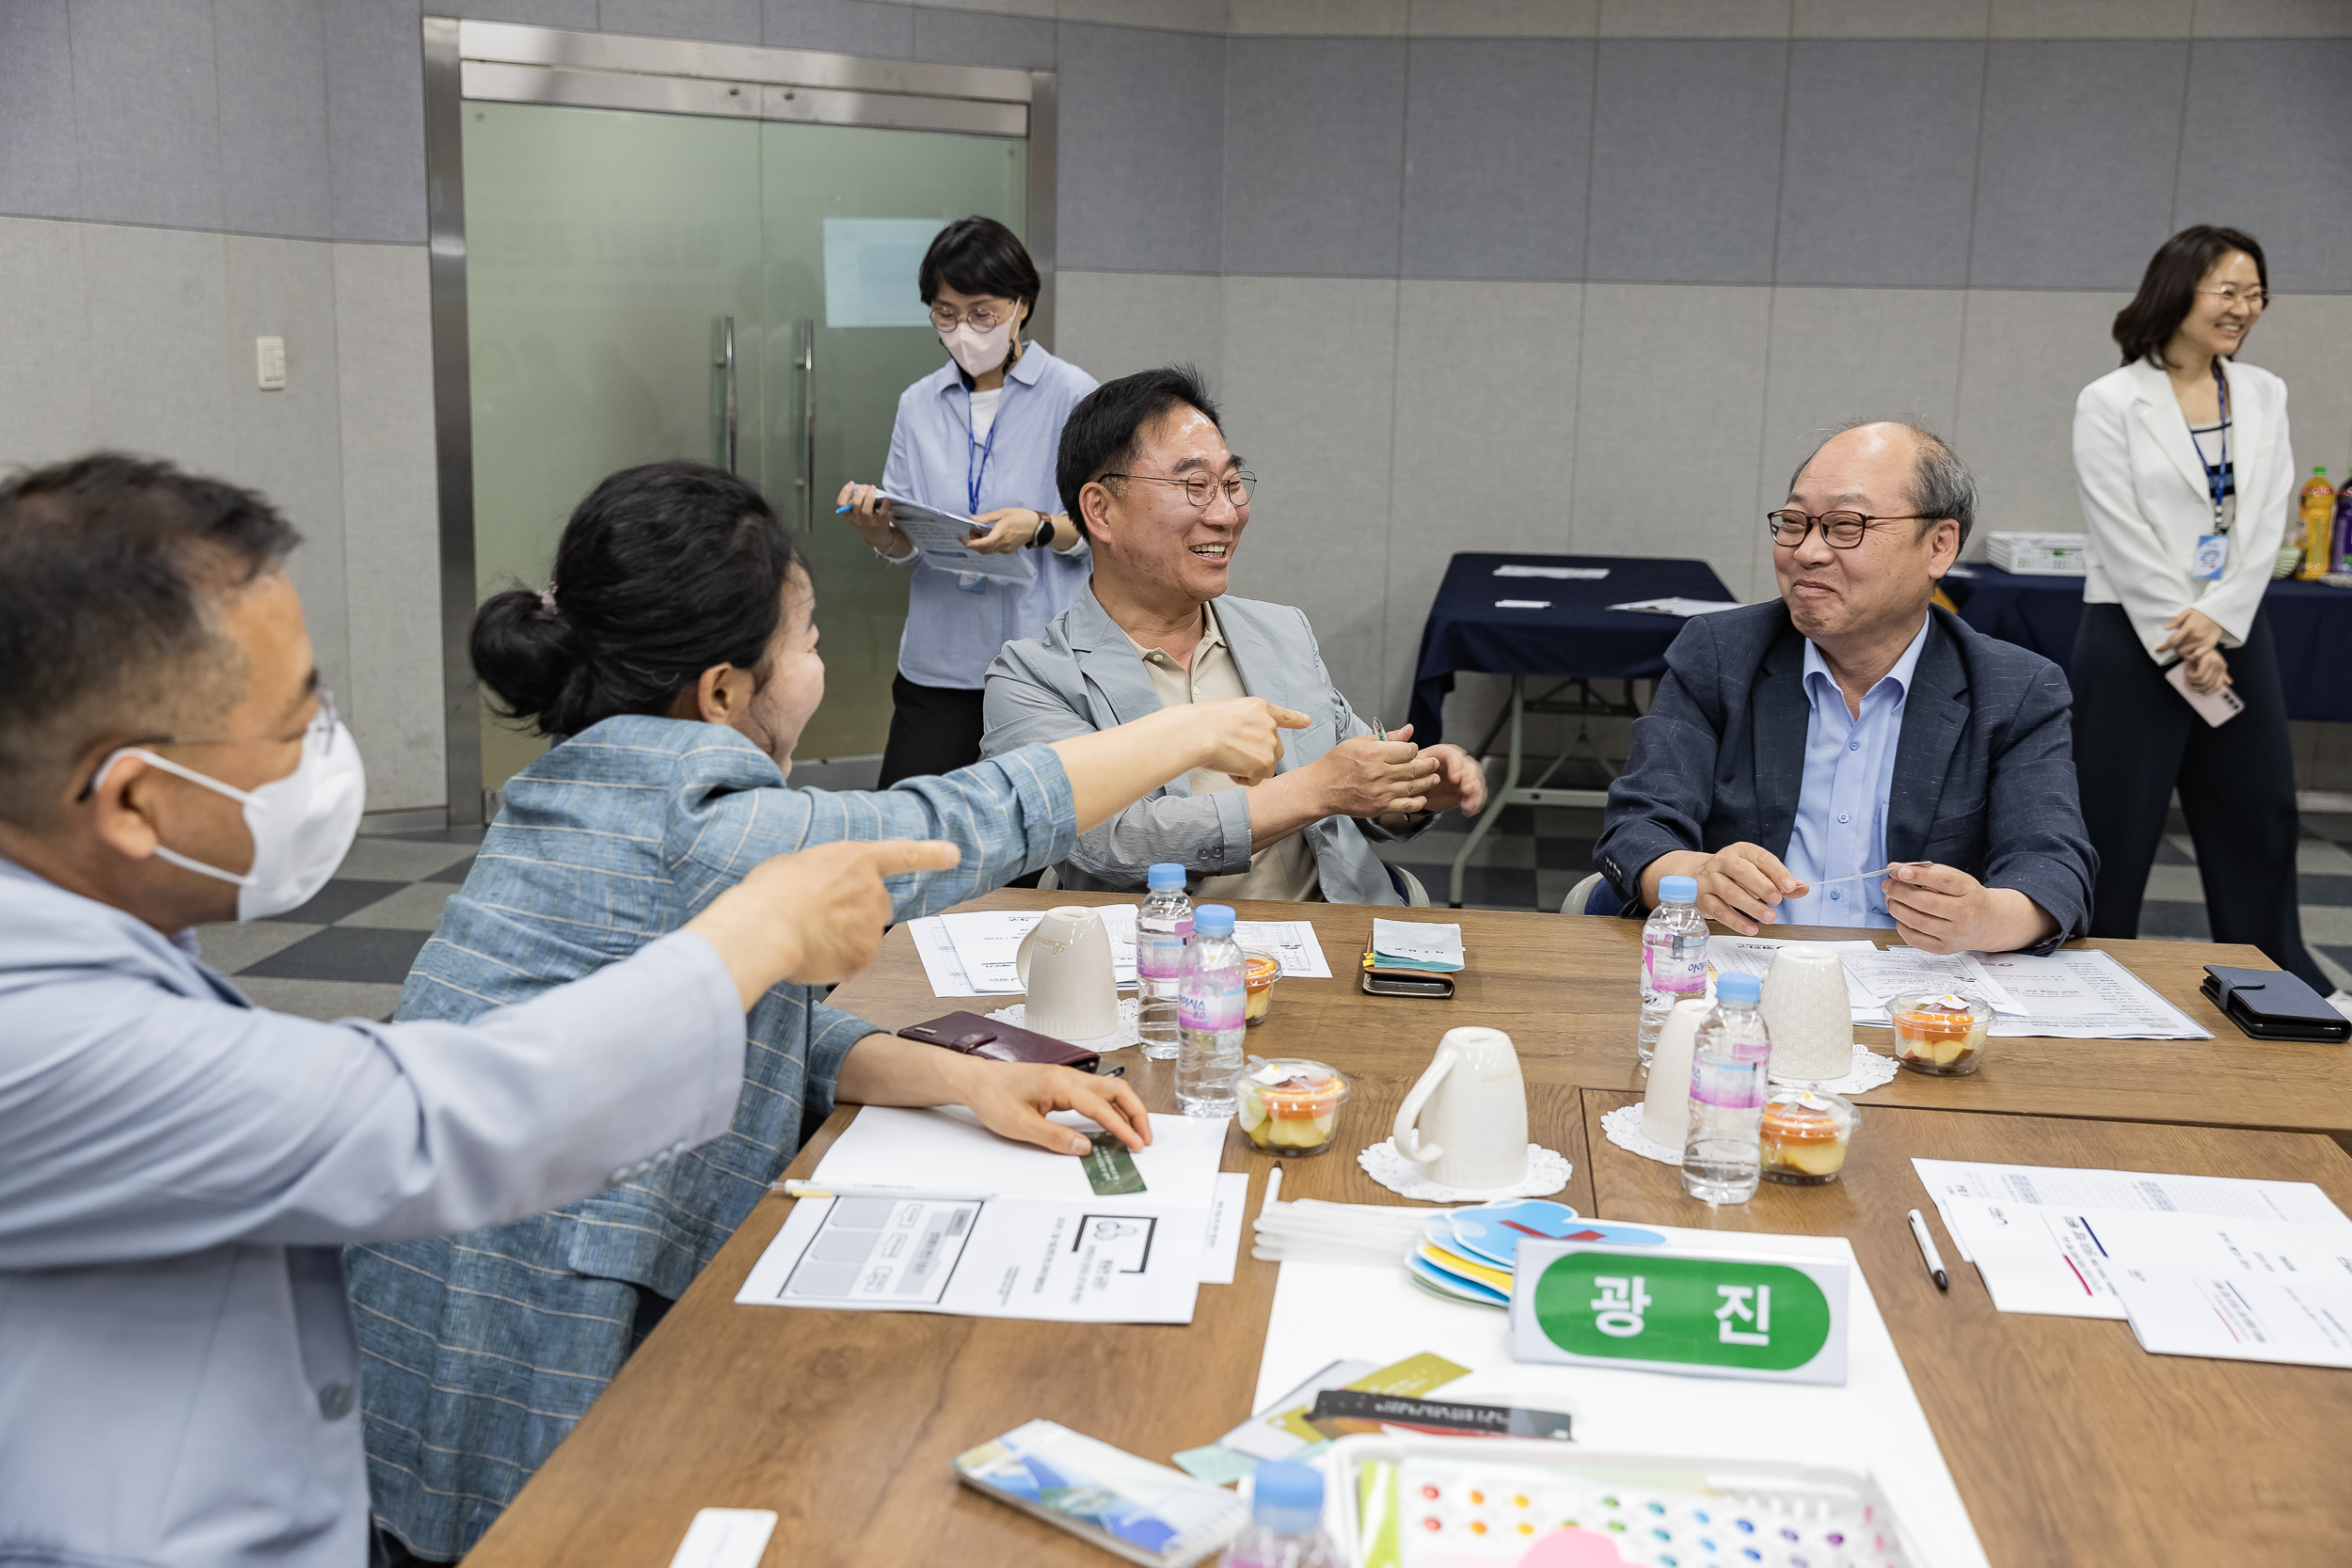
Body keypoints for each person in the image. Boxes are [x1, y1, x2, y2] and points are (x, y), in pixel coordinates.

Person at [0, 453, 954, 1568]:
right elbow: (441, 1120)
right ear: (129, 797)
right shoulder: (47, 1035)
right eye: (295, 715)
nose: (326, 744)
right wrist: (758, 930)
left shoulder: (104, 935)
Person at [345, 461, 1301, 1561]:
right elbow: (964, 823)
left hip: (423, 1313)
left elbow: (737, 1019)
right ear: (719, 690)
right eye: (803, 643)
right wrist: (1184, 735)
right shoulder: (700, 822)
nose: (817, 666)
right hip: (522, 1353)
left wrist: (962, 1073)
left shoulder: (576, 783)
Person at [980, 366, 1488, 904]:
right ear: (1101, 511)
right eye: (1195, 487)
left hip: (1334, 940)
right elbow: (1112, 842)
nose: (1226, 514)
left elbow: (1354, 782)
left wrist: (1415, 789)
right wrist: (1315, 790)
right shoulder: (1033, 678)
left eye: (1230, 483)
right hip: (1165, 962)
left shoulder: (1280, 630)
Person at [1595, 420, 2095, 956]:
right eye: (1793, 523)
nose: (1807, 552)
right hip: (1738, 978)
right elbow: (1637, 827)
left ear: (1939, 546)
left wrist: (1983, 917)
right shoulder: (1721, 654)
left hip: (1917, 994)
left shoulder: (2014, 688)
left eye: (1844, 526)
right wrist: (1696, 874)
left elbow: (2055, 869)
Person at [2070, 225, 2335, 995]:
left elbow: (2264, 521)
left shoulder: (2263, 392)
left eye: (2255, 295)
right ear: (2178, 289)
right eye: (2229, 290)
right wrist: (2185, 632)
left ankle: (2278, 974)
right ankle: (2090, 973)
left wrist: (2216, 622)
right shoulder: (2110, 400)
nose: (2244, 308)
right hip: (2133, 637)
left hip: (2232, 633)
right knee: (2114, 821)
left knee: (2259, 812)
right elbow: (2118, 527)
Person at [835, 216, 1099, 786]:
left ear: (1020, 305)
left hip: (1039, 662)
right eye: (945, 313)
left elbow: (1102, 525)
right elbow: (904, 540)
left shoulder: (1074, 395)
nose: (963, 330)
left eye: (982, 312)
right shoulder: (918, 403)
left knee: (1035, 849)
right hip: (940, 658)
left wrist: (1038, 527)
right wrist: (878, 529)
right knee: (913, 837)